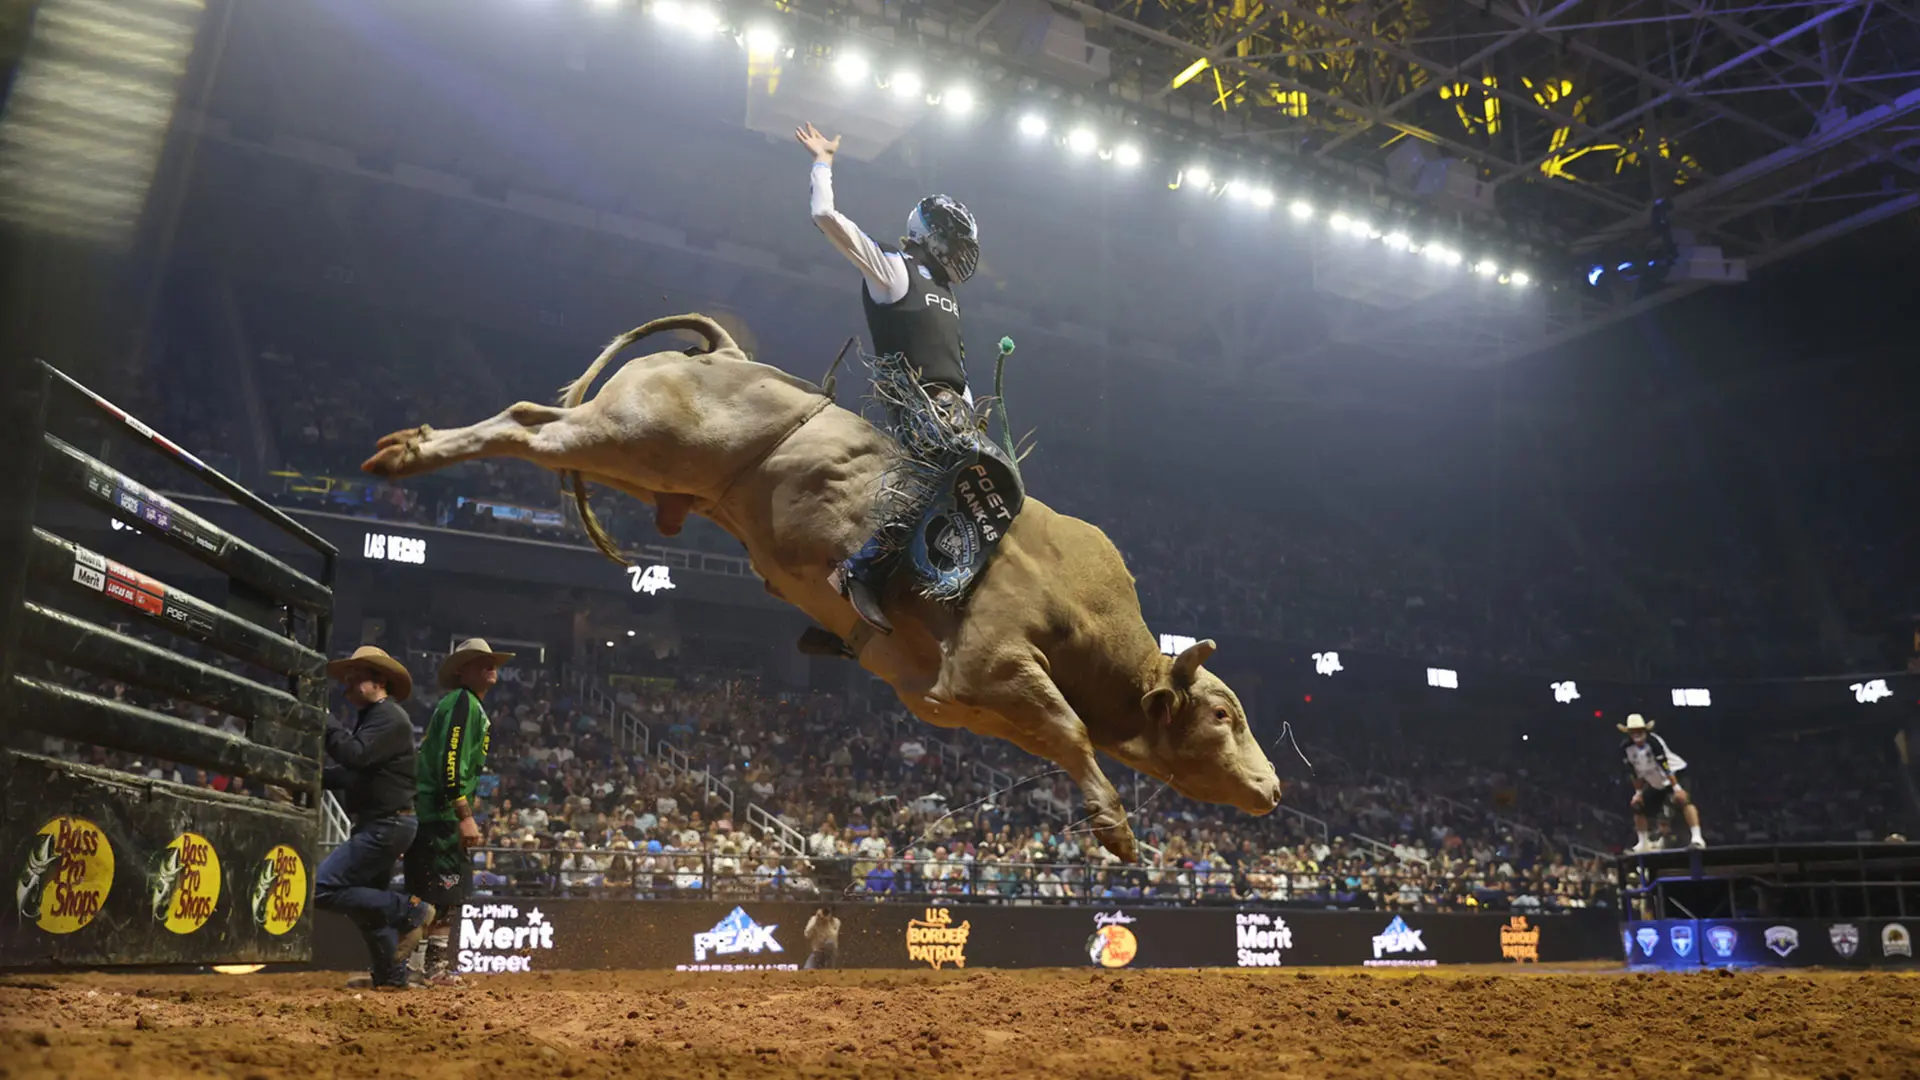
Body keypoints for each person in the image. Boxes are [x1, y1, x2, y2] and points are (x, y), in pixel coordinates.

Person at [795, 120, 981, 636]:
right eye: (955, 241)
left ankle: (933, 583)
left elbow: (954, 362)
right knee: (943, 473)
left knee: (989, 489)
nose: (963, 254)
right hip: (916, 404)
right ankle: (861, 570)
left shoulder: (947, 293)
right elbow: (824, 215)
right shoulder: (893, 270)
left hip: (954, 411)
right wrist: (823, 162)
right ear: (931, 235)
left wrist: (970, 405)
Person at [314, 646, 433, 990]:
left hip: (386, 824)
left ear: (378, 682)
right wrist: (310, 779)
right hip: (386, 822)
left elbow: (354, 756)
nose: (348, 684)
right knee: (368, 905)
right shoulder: (379, 718)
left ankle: (411, 910)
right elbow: (354, 772)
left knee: (323, 887)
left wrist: (326, 720)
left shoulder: (389, 717)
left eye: (356, 677)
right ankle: (391, 977)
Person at [405, 638, 512, 984]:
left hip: (436, 812)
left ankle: (419, 968)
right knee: (442, 890)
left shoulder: (461, 704)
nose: (489, 666)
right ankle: (422, 969)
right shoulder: (463, 703)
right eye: (480, 662)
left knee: (437, 891)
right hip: (441, 815)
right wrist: (465, 815)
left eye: (491, 661)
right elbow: (451, 762)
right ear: (463, 670)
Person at [1618, 714, 1705, 851]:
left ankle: (1697, 838)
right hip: (1654, 781)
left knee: (1684, 801)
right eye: (1633, 732)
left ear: (1645, 731)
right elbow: (1634, 773)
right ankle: (1643, 843)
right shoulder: (1626, 748)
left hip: (1675, 775)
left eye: (1640, 731)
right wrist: (1638, 793)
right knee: (1637, 807)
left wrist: (1677, 788)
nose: (1637, 735)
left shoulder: (1654, 742)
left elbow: (1665, 767)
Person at [803, 905, 841, 970]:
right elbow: (807, 934)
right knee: (807, 970)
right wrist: (816, 922)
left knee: (830, 943)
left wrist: (827, 923)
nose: (825, 915)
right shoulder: (814, 920)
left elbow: (833, 937)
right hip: (818, 951)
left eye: (828, 913)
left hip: (829, 953)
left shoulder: (836, 922)